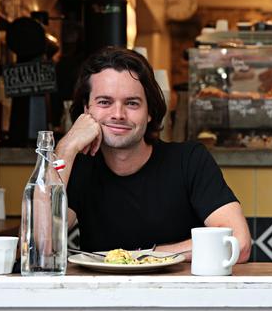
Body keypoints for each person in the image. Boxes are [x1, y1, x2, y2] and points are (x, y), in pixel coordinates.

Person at [55, 47, 252, 262]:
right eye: (104, 102)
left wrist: (144, 257)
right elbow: (41, 245)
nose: (118, 114)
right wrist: (65, 148)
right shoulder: (79, 166)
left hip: (183, 294)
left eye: (132, 103)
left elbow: (239, 244)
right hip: (100, 294)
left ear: (149, 112)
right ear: (86, 110)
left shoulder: (188, 160)